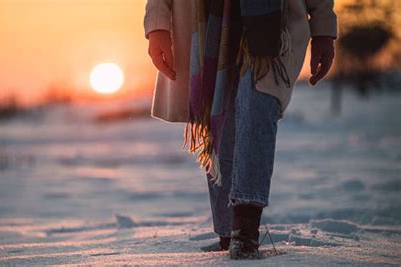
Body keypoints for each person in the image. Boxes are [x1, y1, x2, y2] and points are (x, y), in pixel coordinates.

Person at [144, 0, 337, 260]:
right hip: (208, 20)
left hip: (274, 21)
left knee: (257, 103)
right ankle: (227, 233)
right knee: (219, 109)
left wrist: (323, 28)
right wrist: (156, 27)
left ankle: (245, 232)